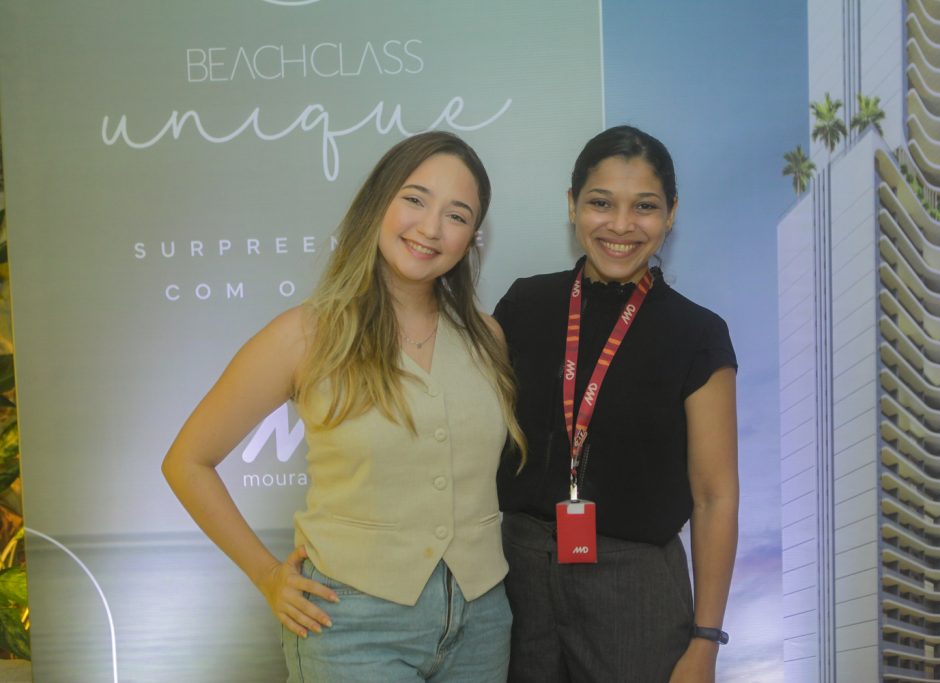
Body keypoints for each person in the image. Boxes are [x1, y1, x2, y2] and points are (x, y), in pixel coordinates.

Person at [162, 131, 525, 683]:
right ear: (378, 203)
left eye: (456, 215)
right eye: (415, 199)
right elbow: (187, 461)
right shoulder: (306, 334)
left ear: (471, 237)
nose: (431, 228)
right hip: (351, 628)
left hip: (481, 625)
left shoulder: (487, 339)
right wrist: (266, 575)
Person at [494, 125, 739, 683]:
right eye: (601, 203)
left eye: (644, 206)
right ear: (572, 205)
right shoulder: (525, 304)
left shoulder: (696, 333)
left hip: (636, 590)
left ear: (671, 214)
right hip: (516, 577)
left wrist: (705, 641)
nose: (622, 225)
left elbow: (715, 496)